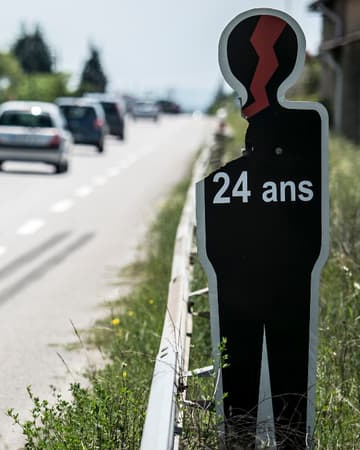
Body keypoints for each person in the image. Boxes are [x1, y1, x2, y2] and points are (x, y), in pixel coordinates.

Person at [197, 9, 328, 449]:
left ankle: (260, 440)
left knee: (275, 384)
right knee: (271, 384)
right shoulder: (305, 133)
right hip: (264, 277)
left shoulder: (303, 128)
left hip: (274, 276)